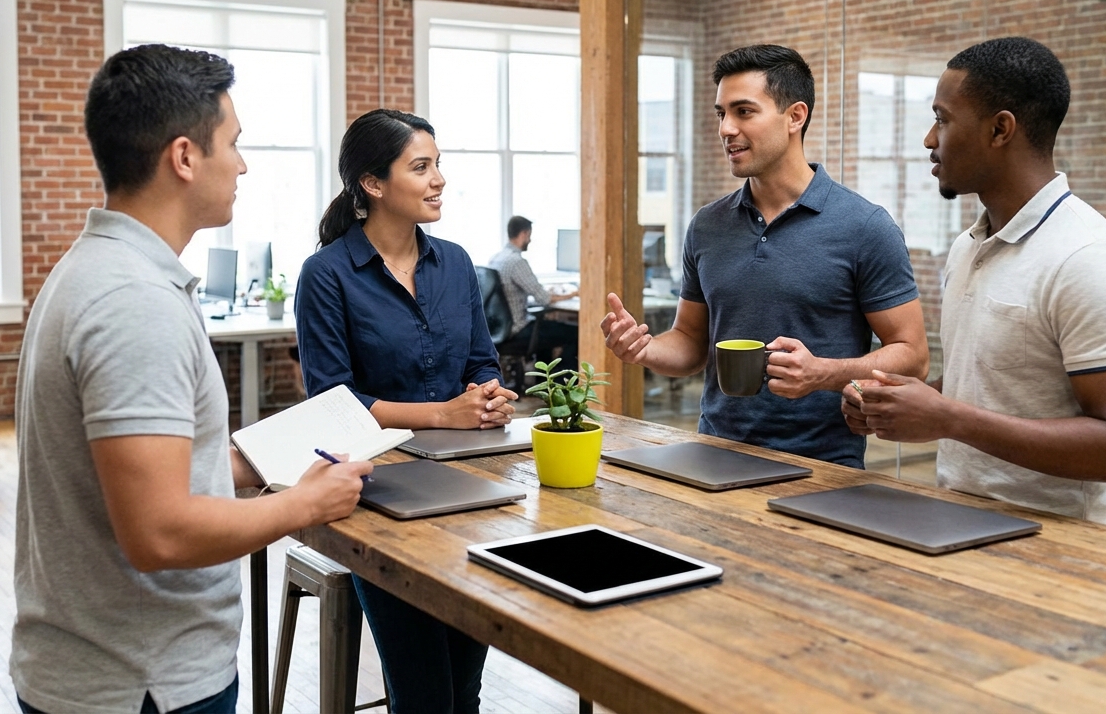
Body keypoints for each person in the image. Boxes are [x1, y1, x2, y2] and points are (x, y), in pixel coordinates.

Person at [11, 44, 371, 714]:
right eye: (232, 143)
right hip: (142, 682)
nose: (242, 164)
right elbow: (160, 532)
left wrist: (245, 461)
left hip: (109, 666)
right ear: (183, 157)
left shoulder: (99, 269)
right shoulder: (133, 301)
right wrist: (307, 503)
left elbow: (137, 471)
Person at [842, 37, 1106, 527]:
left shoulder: (1088, 259)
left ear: (1000, 129)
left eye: (942, 119)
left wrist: (947, 418)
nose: (929, 139)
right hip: (959, 520)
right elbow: (991, 388)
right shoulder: (969, 245)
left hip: (1060, 549)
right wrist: (899, 402)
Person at [600, 44, 929, 468]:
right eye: (721, 114)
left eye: (743, 112)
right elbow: (691, 343)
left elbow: (913, 356)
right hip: (715, 455)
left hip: (822, 469)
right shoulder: (707, 225)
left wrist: (821, 373)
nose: (726, 128)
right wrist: (644, 350)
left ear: (795, 116)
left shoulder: (865, 227)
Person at [294, 108, 517, 713]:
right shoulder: (326, 275)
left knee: (463, 691)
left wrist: (488, 394)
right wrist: (443, 413)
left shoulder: (457, 263)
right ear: (373, 183)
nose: (438, 179)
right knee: (424, 697)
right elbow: (332, 404)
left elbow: (482, 360)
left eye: (438, 164)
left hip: (469, 484)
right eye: (421, 167)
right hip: (376, 492)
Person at [487, 215, 579, 371]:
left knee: (547, 334)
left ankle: (542, 381)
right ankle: (561, 381)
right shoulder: (517, 262)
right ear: (524, 234)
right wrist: (574, 293)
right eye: (529, 235)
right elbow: (544, 299)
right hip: (518, 330)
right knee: (575, 333)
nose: (530, 240)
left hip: (499, 330)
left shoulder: (496, 258)